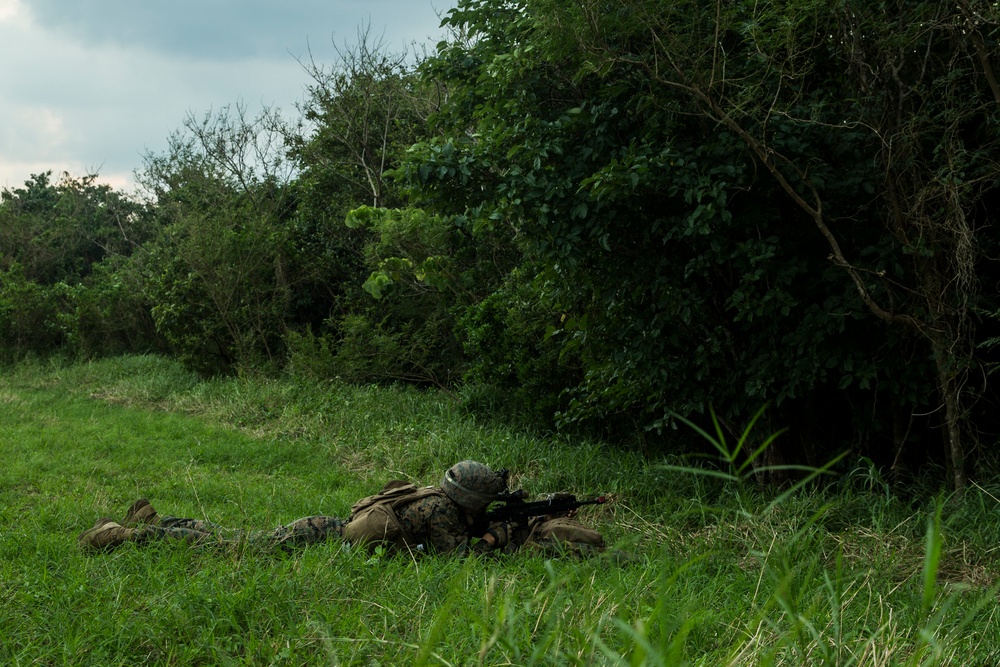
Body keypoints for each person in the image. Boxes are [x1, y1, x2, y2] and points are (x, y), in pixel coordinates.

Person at [78, 460, 516, 555]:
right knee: (234, 547)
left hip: (328, 528)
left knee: (233, 536)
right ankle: (124, 535)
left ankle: (155, 521)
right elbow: (457, 556)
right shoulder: (441, 512)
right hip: (322, 538)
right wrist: (497, 536)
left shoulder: (434, 497)